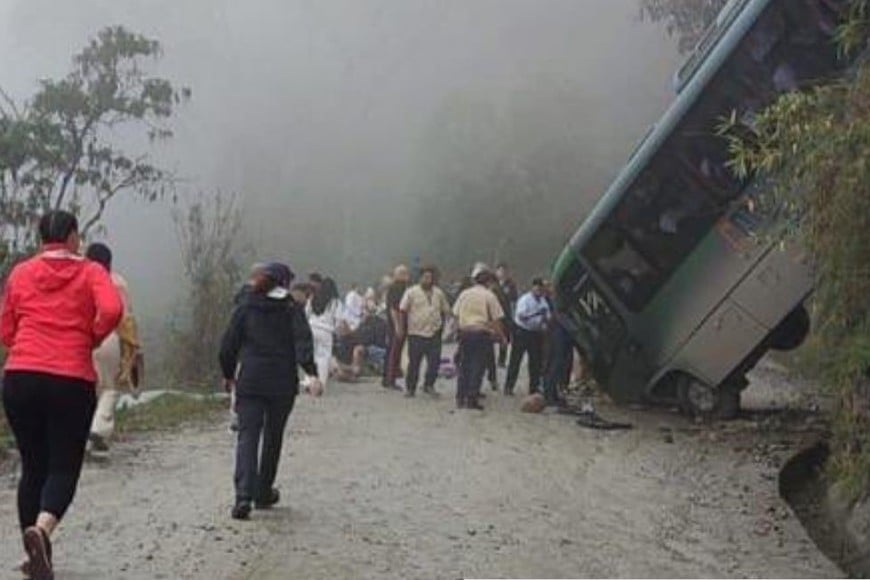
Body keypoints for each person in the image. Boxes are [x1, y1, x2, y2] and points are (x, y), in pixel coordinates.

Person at [1, 210, 123, 579]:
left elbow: (5, 326)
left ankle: (36, 555)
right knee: (62, 466)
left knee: (32, 465)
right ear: (72, 237)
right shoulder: (90, 271)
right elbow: (113, 309)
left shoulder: (22, 272)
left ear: (42, 238)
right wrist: (92, 335)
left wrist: (20, 343)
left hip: (20, 376)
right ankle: (41, 531)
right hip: (69, 378)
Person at [219, 262, 321, 520]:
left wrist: (228, 374)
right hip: (282, 382)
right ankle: (263, 491)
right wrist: (311, 373)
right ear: (284, 283)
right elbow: (302, 341)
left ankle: (243, 495)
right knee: (273, 437)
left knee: (247, 436)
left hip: (251, 380)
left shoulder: (245, 306)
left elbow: (228, 344)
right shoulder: (290, 308)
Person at [85, 242, 143, 453]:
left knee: (88, 387)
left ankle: (83, 433)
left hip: (83, 339)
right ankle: (99, 429)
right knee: (109, 388)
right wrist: (134, 347)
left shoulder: (80, 280)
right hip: (110, 339)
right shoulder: (118, 283)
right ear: (109, 263)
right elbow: (127, 318)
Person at [452, 263, 506, 410]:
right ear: (489, 282)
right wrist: (502, 338)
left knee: (464, 366)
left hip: (465, 333)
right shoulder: (489, 296)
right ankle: (472, 398)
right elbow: (496, 320)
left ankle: (460, 397)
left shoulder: (464, 294)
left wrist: (456, 331)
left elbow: (455, 314)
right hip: (481, 334)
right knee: (478, 367)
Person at [398, 266, 451, 397]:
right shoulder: (411, 292)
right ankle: (411, 388)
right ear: (420, 278)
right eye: (425, 277)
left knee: (434, 362)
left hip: (434, 333)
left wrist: (444, 328)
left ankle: (429, 385)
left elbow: (446, 310)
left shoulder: (438, 293)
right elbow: (402, 310)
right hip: (416, 333)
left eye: (430, 277)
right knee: (414, 363)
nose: (428, 280)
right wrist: (401, 328)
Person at [504, 278, 551, 396]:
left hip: (536, 333)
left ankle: (533, 388)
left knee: (536, 362)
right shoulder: (525, 299)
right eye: (537, 287)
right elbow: (521, 316)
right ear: (533, 287)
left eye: (541, 288)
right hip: (522, 331)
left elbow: (548, 317)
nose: (539, 290)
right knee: (516, 360)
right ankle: (509, 386)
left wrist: (545, 319)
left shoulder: (543, 301)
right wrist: (537, 313)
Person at [306, 277, 345, 391]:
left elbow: (306, 313)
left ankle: (309, 382)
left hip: (311, 328)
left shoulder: (313, 298)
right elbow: (338, 320)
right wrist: (336, 331)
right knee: (323, 358)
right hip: (326, 331)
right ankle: (320, 385)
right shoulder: (336, 302)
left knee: (311, 357)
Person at [382, 264, 410, 390]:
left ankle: (387, 378)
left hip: (393, 324)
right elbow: (395, 309)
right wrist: (399, 326)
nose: (407, 276)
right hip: (397, 324)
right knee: (394, 352)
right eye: (405, 273)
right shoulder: (398, 288)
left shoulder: (394, 288)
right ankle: (390, 379)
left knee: (391, 352)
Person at [495, 263, 519, 368]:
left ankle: (502, 360)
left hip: (506, 314)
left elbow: (514, 299)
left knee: (505, 338)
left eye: (504, 271)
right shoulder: (494, 284)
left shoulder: (511, 285)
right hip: (494, 314)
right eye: (500, 271)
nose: (502, 273)